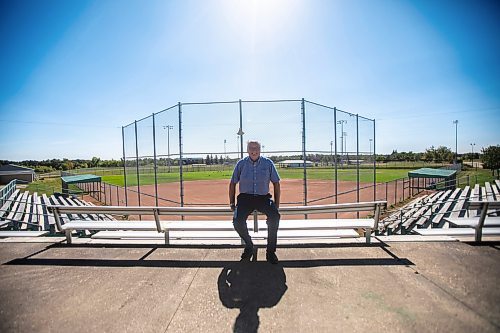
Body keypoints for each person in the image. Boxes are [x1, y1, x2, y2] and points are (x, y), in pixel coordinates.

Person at [229, 140, 281, 264]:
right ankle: (249, 245)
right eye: (251, 148)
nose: (254, 150)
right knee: (237, 221)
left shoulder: (268, 163)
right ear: (247, 150)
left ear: (260, 149)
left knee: (275, 216)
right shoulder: (241, 164)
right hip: (245, 198)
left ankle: (271, 251)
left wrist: (276, 204)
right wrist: (231, 202)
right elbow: (232, 183)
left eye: (256, 148)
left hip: (263, 198)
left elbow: (276, 183)